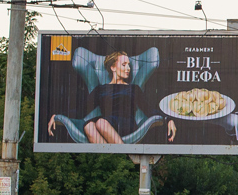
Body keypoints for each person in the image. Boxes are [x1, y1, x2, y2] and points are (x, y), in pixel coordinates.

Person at [48, 51, 176, 144]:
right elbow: (81, 111)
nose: (128, 69)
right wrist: (58, 115)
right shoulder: (101, 89)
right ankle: (114, 160)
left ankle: (123, 154)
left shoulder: (133, 88)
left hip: (126, 126)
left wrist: (168, 119)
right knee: (88, 126)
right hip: (105, 124)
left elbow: (149, 110)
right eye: (124, 65)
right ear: (113, 67)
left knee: (100, 122)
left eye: (129, 65)